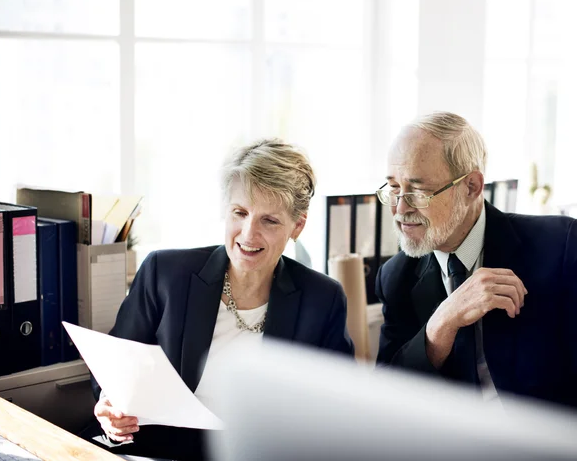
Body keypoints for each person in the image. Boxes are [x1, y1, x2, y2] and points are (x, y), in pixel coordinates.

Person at [87, 138, 354, 460]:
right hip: (156, 447)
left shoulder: (322, 299)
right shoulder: (165, 273)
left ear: (297, 226)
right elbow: (116, 369)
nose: (247, 234)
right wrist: (111, 407)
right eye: (240, 212)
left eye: (269, 220)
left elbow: (337, 410)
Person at [375, 112, 577, 409]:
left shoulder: (561, 246)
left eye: (419, 190)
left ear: (471, 186)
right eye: (393, 188)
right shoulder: (396, 277)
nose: (401, 208)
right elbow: (387, 395)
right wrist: (441, 325)